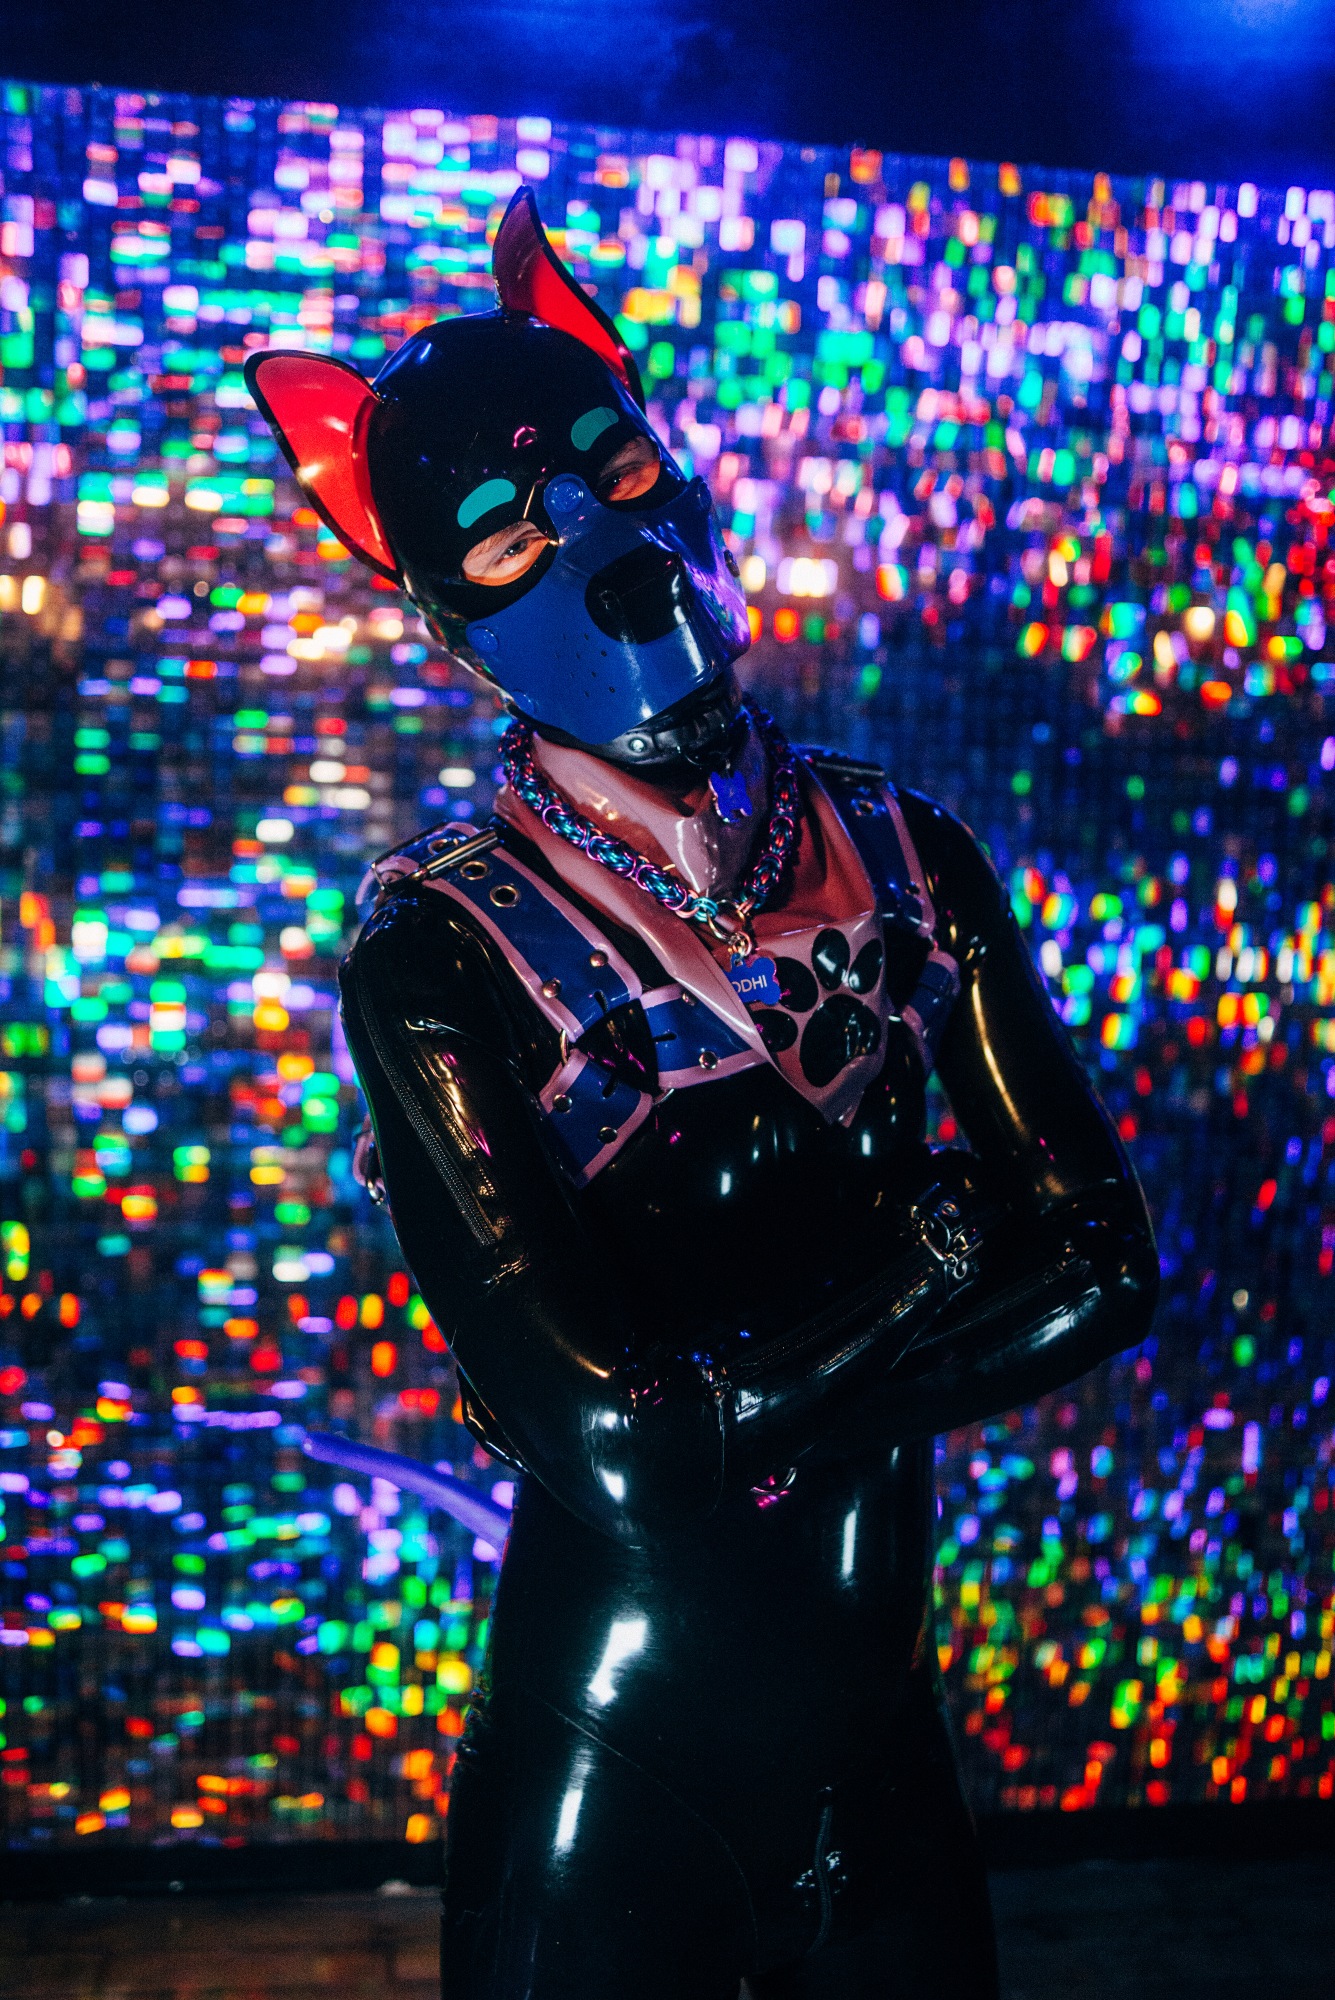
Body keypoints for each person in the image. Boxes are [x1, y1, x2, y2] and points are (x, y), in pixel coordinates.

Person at [246, 189, 1159, 2000]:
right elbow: (618, 1450)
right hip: (617, 1757)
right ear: (431, 605)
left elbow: (1107, 1265)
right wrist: (923, 1277)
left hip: (878, 1739)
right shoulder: (442, 951)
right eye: (509, 533)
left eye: (617, 469)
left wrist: (750, 1405)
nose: (607, 546)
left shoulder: (902, 850)